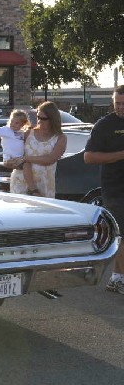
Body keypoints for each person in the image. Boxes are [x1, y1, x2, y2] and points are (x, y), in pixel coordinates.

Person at [84, 85, 124, 295]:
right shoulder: (105, 125)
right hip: (116, 187)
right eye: (117, 103)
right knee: (122, 233)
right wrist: (120, 155)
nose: (120, 107)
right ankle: (117, 278)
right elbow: (88, 157)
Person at [8, 101, 67, 198]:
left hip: (44, 185)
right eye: (38, 117)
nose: (39, 121)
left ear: (53, 119)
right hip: (21, 184)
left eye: (43, 119)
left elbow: (50, 159)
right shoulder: (28, 133)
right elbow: (14, 155)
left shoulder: (60, 138)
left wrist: (26, 158)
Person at [0, 109, 34, 190]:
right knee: (26, 166)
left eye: (17, 123)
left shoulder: (22, 132)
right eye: (12, 121)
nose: (13, 124)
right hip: (9, 159)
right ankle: (32, 188)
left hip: (20, 158)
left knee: (31, 167)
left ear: (23, 124)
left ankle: (23, 184)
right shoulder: (6, 130)